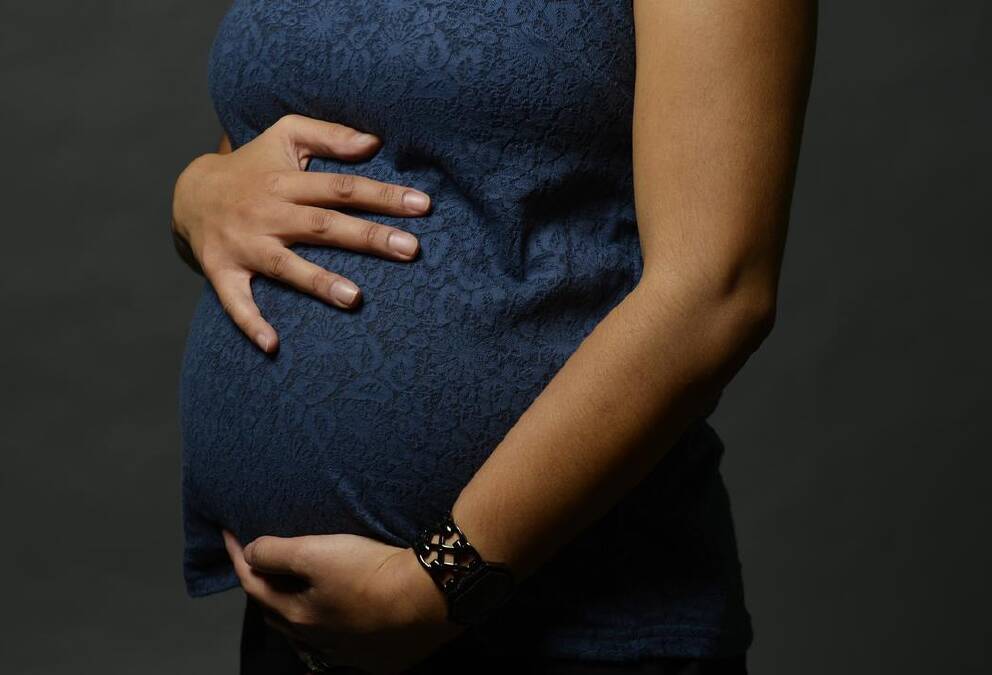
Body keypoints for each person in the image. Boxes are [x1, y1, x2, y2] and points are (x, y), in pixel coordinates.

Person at [170, 1, 816, 673]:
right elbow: (268, 157)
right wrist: (196, 196)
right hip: (313, 626)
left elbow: (715, 293)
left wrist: (437, 582)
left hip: (570, 633)